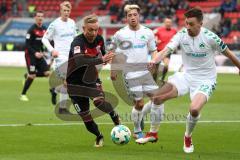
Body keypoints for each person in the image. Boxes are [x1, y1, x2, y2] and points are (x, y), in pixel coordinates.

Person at [137, 8, 240, 153]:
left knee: (194, 109)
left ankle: (187, 136)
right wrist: (154, 61)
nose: (188, 27)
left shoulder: (211, 37)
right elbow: (166, 50)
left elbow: (229, 54)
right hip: (186, 76)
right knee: (157, 98)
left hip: (205, 80)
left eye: (191, 24)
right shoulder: (182, 34)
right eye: (186, 23)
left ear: (200, 24)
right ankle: (153, 133)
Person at [111, 4, 164, 142]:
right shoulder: (120, 34)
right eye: (130, 15)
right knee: (139, 104)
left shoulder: (148, 32)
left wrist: (154, 61)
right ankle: (137, 130)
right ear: (126, 18)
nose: (133, 17)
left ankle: (152, 132)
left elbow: (153, 50)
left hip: (145, 72)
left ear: (139, 16)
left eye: (135, 15)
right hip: (129, 73)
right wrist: (114, 70)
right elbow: (113, 52)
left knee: (157, 99)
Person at [66, 14, 120, 147]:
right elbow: (79, 60)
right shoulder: (77, 42)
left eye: (96, 30)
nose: (94, 33)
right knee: (86, 117)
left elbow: (102, 54)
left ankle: (114, 116)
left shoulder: (99, 39)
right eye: (91, 30)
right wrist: (100, 60)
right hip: (74, 83)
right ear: (84, 28)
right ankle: (98, 135)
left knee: (99, 102)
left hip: (91, 78)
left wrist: (106, 59)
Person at [42, 1, 77, 112]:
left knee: (68, 82)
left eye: (68, 10)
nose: (66, 12)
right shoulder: (55, 24)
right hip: (60, 57)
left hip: (71, 56)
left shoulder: (72, 22)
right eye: (64, 10)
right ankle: (62, 108)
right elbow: (45, 39)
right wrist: (52, 50)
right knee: (67, 81)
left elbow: (75, 38)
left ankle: (55, 91)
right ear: (60, 11)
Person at [20, 10, 50, 101]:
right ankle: (23, 94)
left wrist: (43, 51)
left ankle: (27, 75)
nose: (40, 18)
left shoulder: (45, 29)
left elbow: (44, 42)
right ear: (35, 18)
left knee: (47, 73)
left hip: (39, 54)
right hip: (30, 55)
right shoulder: (31, 30)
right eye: (38, 16)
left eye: (41, 16)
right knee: (32, 76)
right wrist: (35, 53)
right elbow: (27, 45)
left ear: (43, 18)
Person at [153, 17, 177, 83]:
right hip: (159, 51)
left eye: (169, 22)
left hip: (167, 51)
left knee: (166, 66)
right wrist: (155, 41)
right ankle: (154, 79)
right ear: (164, 23)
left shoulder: (174, 31)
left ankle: (162, 78)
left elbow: (178, 38)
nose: (168, 23)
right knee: (156, 68)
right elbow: (151, 35)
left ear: (171, 23)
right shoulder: (158, 30)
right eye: (167, 22)